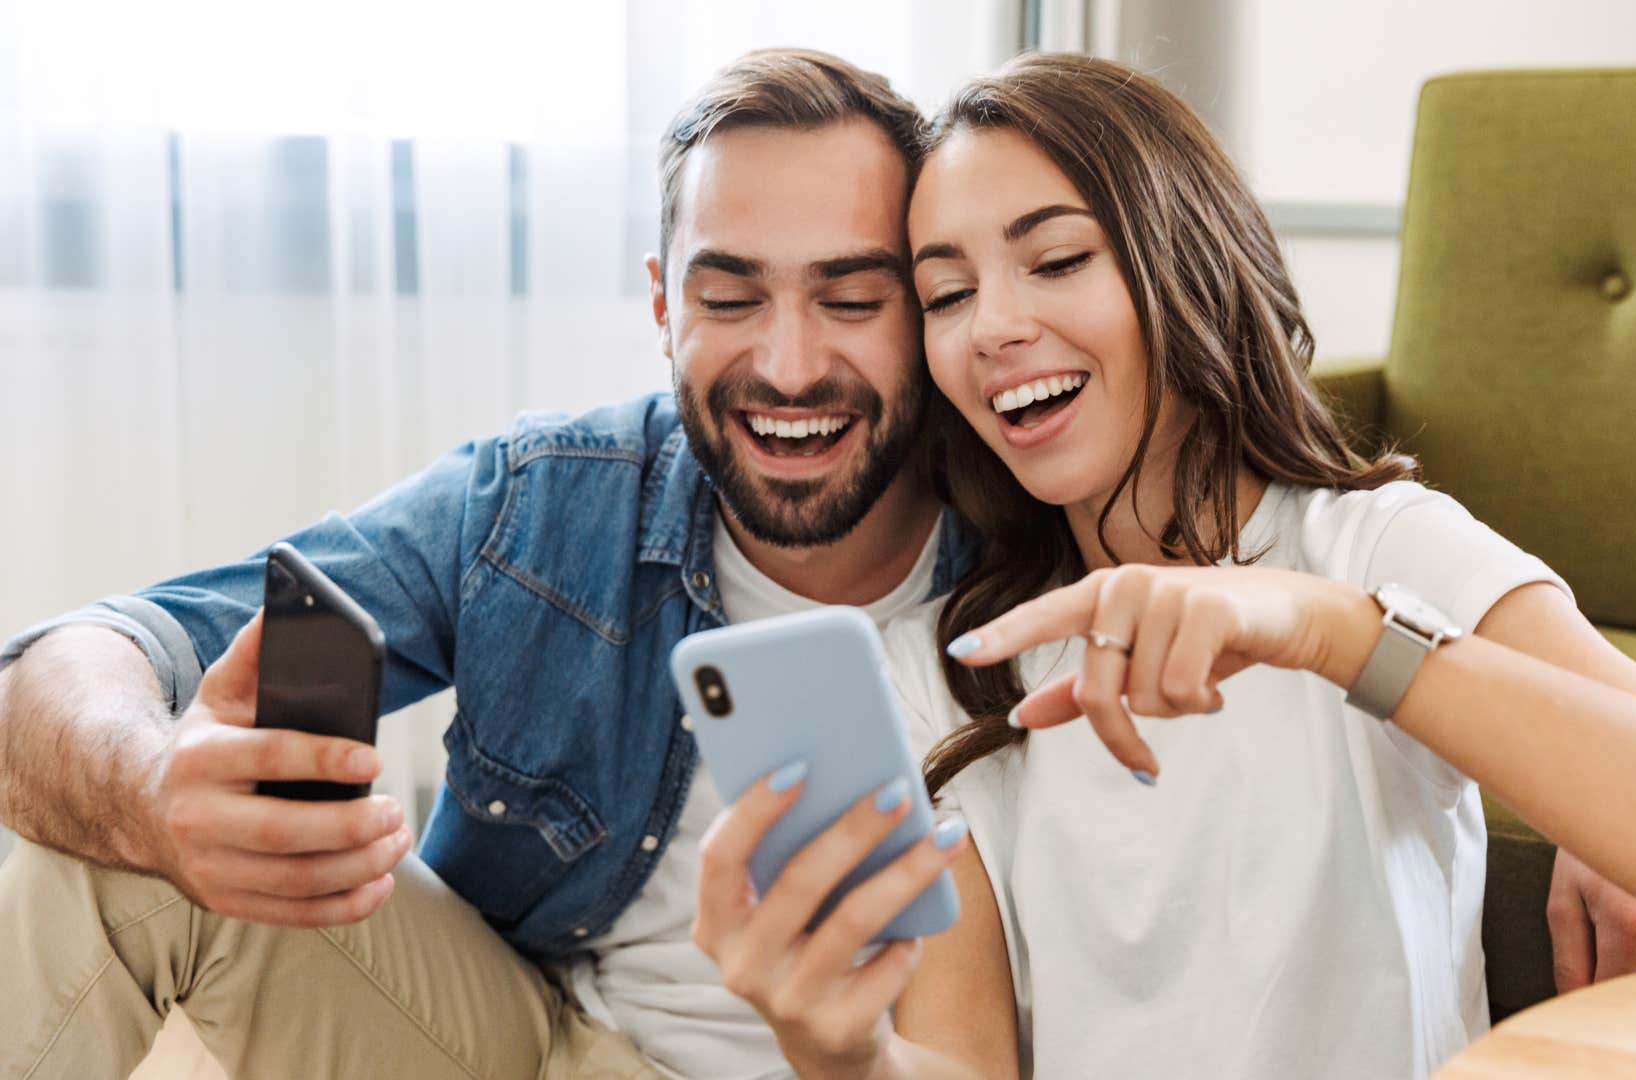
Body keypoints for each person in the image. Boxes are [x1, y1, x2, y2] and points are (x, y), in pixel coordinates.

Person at [690, 52, 1636, 1079]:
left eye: (1055, 262)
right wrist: (845, 1055)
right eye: (947, 293)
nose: (992, 324)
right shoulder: (944, 670)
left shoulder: (1373, 548)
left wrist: (1334, 631)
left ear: (1184, 261)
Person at [0, 49, 976, 1080]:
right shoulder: (553, 501)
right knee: (110, 859)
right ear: (661, 306)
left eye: (853, 301)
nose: (787, 366)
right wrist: (155, 791)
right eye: (729, 299)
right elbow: (64, 663)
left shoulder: (1034, 540)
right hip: (529, 1039)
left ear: (927, 308)